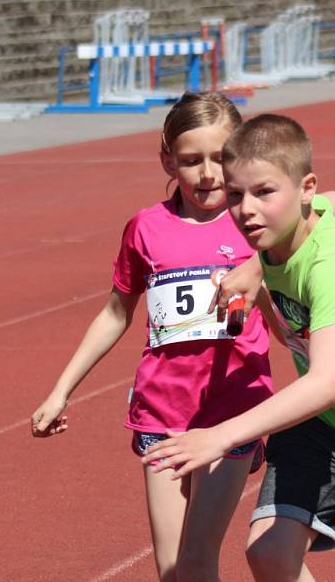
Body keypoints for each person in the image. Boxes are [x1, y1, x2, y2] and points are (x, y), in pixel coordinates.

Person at [143, 114, 335, 581]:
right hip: (326, 427)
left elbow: (326, 383)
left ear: (305, 188)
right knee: (268, 553)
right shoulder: (277, 235)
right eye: (235, 194)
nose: (246, 209)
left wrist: (220, 435)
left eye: (264, 192)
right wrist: (253, 266)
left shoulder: (331, 265)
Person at [30, 92, 275, 581]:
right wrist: (61, 391)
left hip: (234, 408)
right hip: (163, 410)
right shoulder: (146, 228)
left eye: (219, 158)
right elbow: (115, 313)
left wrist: (258, 275)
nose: (207, 174)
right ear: (167, 159)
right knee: (171, 570)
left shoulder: (256, 221)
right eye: (190, 161)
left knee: (197, 559)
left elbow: (333, 207)